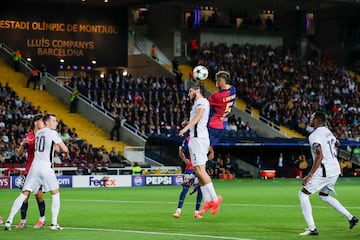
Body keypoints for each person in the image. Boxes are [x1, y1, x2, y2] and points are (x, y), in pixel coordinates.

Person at [4, 113, 70, 231]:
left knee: (23, 194)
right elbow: (64, 149)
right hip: (45, 166)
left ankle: (9, 220)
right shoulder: (52, 133)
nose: (56, 123)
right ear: (47, 123)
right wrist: (66, 153)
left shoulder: (38, 133)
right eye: (54, 121)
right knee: (55, 193)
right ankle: (54, 223)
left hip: (34, 166)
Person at [298, 111, 358, 236]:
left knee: (303, 194)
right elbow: (337, 143)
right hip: (335, 169)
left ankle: (312, 228)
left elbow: (319, 155)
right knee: (324, 195)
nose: (310, 118)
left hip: (325, 169)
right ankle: (351, 217)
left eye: (312, 117)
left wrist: (309, 175)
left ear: (317, 120)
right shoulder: (327, 131)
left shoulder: (314, 135)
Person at [179, 84, 222, 216]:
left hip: (199, 140)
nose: (188, 94)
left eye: (190, 91)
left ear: (197, 91)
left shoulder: (202, 102)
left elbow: (199, 117)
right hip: (195, 139)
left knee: (201, 171)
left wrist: (186, 128)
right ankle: (208, 201)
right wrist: (188, 124)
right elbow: (197, 120)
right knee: (198, 171)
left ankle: (215, 199)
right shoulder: (197, 104)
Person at [16, 114, 46, 229]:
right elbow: (19, 154)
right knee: (25, 196)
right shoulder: (29, 136)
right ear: (35, 123)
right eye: (41, 121)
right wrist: (23, 144)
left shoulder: (45, 135)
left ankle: (42, 220)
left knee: (39, 196)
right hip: (29, 169)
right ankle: (23, 221)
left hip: (40, 170)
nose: (43, 123)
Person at [207, 71, 236, 159]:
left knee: (200, 150)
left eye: (217, 81)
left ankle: (196, 171)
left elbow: (204, 106)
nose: (216, 84)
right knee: (207, 149)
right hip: (223, 126)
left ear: (221, 81)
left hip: (213, 126)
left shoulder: (216, 95)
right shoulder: (233, 90)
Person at [173, 136, 203, 219]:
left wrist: (211, 152)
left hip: (200, 168)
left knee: (200, 190)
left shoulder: (202, 138)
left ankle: (196, 212)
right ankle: (178, 210)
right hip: (189, 169)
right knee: (185, 189)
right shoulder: (187, 139)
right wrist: (185, 159)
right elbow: (181, 151)